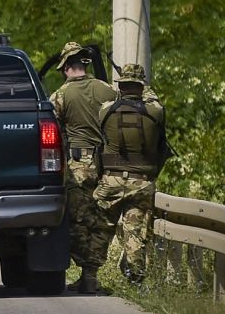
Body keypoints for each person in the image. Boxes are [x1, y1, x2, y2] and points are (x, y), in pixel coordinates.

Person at [49, 42, 118, 295]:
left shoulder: (61, 95)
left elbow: (48, 130)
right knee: (101, 221)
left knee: (77, 221)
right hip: (108, 165)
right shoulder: (108, 90)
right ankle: (91, 275)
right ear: (84, 65)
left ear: (67, 67)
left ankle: (85, 273)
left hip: (78, 166)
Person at [92, 63, 169, 284]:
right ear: (141, 86)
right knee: (135, 233)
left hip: (111, 180)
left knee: (99, 230)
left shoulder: (106, 110)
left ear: (122, 85)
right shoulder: (155, 112)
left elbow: (112, 103)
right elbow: (155, 102)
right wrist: (146, 87)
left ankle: (89, 276)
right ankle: (135, 279)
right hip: (141, 183)